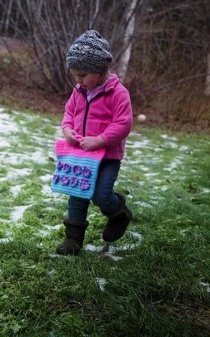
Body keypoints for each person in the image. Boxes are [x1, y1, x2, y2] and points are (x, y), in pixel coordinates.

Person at [56, 29, 133, 255]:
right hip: (81, 155)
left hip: (108, 157)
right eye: (75, 75)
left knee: (100, 195)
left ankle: (119, 212)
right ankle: (73, 240)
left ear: (100, 70)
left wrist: (100, 139)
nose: (78, 80)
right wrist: (67, 129)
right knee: (77, 195)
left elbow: (124, 123)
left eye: (82, 75)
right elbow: (69, 113)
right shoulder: (79, 91)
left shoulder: (118, 93)